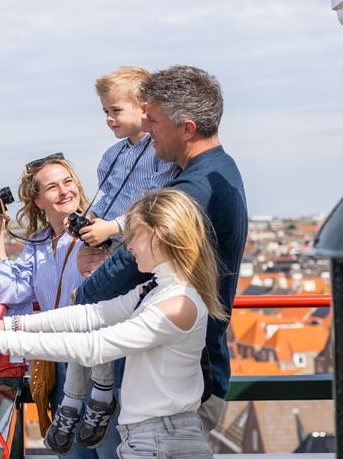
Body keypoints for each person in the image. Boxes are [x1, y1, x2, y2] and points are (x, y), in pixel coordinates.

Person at [0, 188, 226, 459]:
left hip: (161, 440)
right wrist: (9, 326)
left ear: (157, 235)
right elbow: (93, 314)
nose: (128, 246)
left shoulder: (177, 303)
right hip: (153, 436)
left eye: (133, 235)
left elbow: (95, 346)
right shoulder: (156, 287)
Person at [75, 65, 248, 435]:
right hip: (191, 370)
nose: (147, 130)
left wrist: (85, 293)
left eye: (152, 120)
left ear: (186, 128)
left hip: (180, 382)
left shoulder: (191, 191)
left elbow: (123, 269)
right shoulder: (217, 172)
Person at [48, 67, 179, 455]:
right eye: (105, 111)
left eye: (114, 111)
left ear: (144, 108)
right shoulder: (111, 156)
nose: (108, 119)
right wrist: (89, 225)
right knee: (89, 310)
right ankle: (88, 398)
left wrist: (111, 228)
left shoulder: (160, 153)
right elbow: (104, 202)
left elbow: (159, 206)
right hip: (111, 255)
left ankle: (82, 398)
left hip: (136, 259)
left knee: (89, 312)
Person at [0, 154, 97, 456]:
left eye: (68, 182)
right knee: (73, 452)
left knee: (108, 449)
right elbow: (10, 291)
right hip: (61, 363)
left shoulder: (97, 232)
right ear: (38, 200)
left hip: (98, 359)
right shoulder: (39, 243)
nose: (64, 192)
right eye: (52, 187)